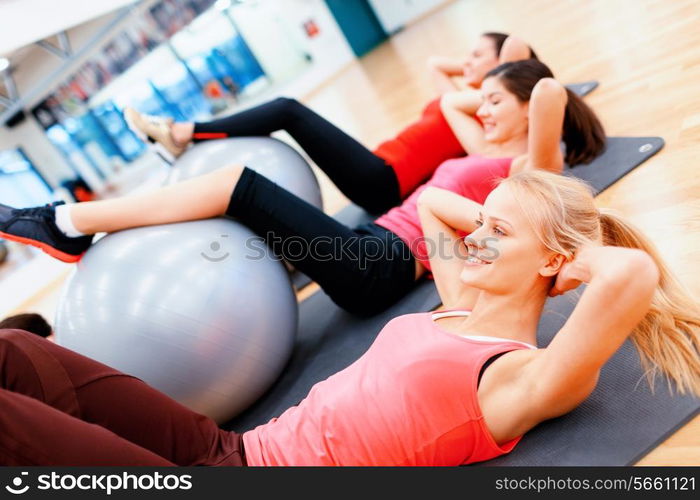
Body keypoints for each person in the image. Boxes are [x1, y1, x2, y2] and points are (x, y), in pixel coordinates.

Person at [1, 170, 698, 466]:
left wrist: (568, 257)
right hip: (234, 451)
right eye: (479, 226)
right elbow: (433, 206)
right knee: (12, 354)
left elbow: (630, 272)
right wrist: (508, 226)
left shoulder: (521, 379)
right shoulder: (459, 303)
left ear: (555, 263)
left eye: (498, 235)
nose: (474, 239)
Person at [0, 59, 605, 315]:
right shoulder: (485, 152)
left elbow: (548, 91)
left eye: (498, 101)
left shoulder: (534, 171)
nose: (483, 108)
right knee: (239, 211)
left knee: (240, 184)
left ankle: (67, 223)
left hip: (383, 266)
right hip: (367, 243)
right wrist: (498, 93)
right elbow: (462, 98)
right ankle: (70, 223)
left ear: (532, 109)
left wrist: (525, 91)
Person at [123, 33, 536, 201]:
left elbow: (503, 64)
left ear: (505, 67)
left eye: (478, 55)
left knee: (287, 110)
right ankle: (186, 134)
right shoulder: (467, 98)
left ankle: (183, 131)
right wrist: (479, 63)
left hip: (384, 180)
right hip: (378, 165)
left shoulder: (481, 106)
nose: (466, 61)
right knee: (287, 111)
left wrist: (501, 72)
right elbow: (434, 65)